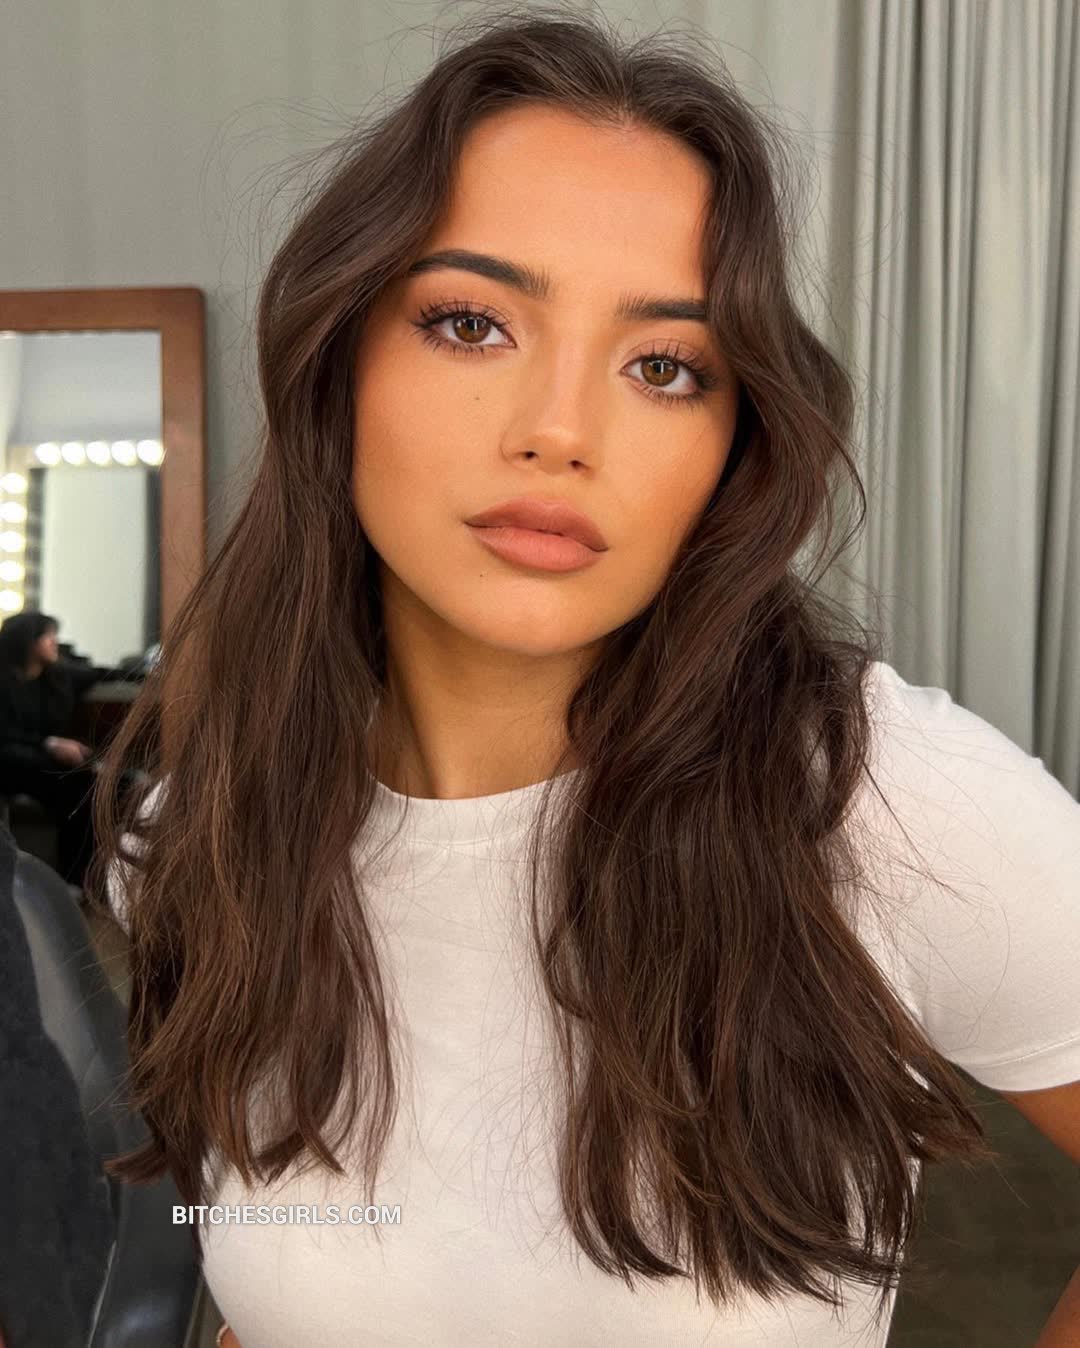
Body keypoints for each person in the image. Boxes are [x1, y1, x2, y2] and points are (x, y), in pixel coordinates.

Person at [87, 8, 1080, 1346]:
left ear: (733, 445)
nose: (561, 429)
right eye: (471, 324)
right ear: (337, 364)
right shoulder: (203, 842)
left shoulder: (878, 802)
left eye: (665, 366)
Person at [0, 611, 104, 890]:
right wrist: (49, 743)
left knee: (83, 782)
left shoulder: (57, 676)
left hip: (42, 762)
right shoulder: (4, 681)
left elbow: (99, 673)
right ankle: (74, 880)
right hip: (11, 762)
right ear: (29, 642)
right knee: (75, 779)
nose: (55, 642)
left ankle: (76, 879)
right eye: (48, 636)